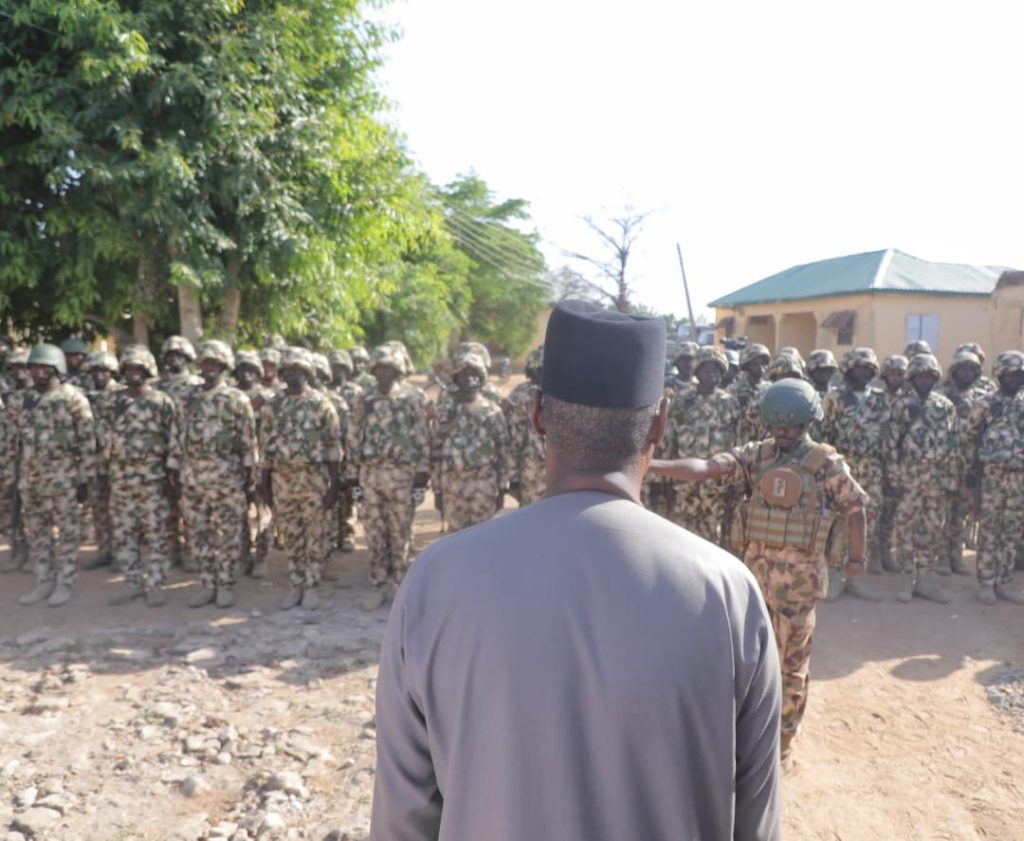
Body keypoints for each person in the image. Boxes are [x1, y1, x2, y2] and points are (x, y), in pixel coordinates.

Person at [371, 300, 782, 841]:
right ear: (660, 420)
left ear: (537, 413)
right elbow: (756, 821)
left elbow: (404, 818)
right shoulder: (727, 592)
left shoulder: (437, 580)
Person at [651, 377, 866, 766]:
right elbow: (707, 469)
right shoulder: (756, 455)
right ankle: (745, 736)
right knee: (747, 663)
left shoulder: (824, 464)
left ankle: (783, 744)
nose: (783, 434)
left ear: (807, 423)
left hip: (800, 590)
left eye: (791, 426)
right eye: (777, 426)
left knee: (791, 667)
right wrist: (652, 464)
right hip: (755, 583)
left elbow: (856, 507)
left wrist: (857, 558)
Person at [347, 344, 431, 611]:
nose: (383, 374)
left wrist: (421, 477)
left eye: (388, 369)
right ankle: (377, 584)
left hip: (402, 476)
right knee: (373, 531)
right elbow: (353, 437)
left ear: (397, 372)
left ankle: (399, 584)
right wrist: (352, 477)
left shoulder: (413, 398)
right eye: (379, 369)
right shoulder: (364, 400)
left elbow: (422, 438)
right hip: (371, 475)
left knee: (400, 531)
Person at [175, 340, 257, 608]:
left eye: (214, 364)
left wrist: (250, 482)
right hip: (193, 479)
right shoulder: (188, 399)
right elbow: (178, 440)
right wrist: (175, 475)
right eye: (205, 364)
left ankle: (225, 585)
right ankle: (206, 584)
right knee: (198, 534)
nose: (208, 368)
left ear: (224, 367)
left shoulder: (237, 400)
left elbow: (248, 444)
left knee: (227, 534)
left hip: (227, 479)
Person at [259, 348, 342, 611]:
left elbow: (334, 449)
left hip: (313, 480)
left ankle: (312, 585)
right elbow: (265, 448)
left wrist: (334, 486)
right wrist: (265, 483)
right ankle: (296, 583)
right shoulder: (274, 406)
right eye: (287, 370)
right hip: (283, 480)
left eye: (297, 369)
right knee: (292, 535)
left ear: (307, 372)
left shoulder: (322, 404)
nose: (292, 374)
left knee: (315, 535)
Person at [15, 344, 96, 607]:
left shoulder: (73, 399)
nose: (38, 372)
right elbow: (17, 440)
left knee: (68, 534)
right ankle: (44, 581)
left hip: (64, 480)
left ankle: (65, 582)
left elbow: (87, 441)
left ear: (56, 369)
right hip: (32, 480)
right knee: (38, 534)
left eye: (44, 368)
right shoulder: (24, 400)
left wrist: (85, 479)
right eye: (34, 367)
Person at [100, 347, 180, 607]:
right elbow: (102, 439)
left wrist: (171, 477)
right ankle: (133, 583)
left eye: (138, 370)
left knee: (157, 534)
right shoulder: (112, 402)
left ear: (148, 371)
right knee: (124, 535)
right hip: (121, 480)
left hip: (152, 480)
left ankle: (156, 583)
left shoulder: (161, 402)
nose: (134, 374)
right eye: (129, 370)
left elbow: (173, 441)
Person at [885, 354, 958, 603]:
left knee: (932, 529)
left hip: (937, 481)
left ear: (935, 378)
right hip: (910, 479)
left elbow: (952, 444)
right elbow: (892, 444)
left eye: (929, 376)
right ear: (912, 378)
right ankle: (907, 578)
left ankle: (925, 579)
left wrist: (951, 479)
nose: (924, 380)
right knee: (906, 529)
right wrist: (894, 478)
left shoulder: (945, 406)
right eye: (919, 376)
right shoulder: (902, 405)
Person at [819, 348, 887, 600]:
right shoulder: (834, 399)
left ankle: (856, 576)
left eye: (868, 368)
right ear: (847, 370)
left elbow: (888, 436)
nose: (864, 373)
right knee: (837, 521)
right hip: (842, 468)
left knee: (866, 521)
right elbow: (823, 435)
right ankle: (834, 575)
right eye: (859, 368)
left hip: (872, 469)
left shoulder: (881, 399)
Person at [964, 351, 1024, 605]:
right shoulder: (985, 404)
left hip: (1019, 478)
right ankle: (987, 582)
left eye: (1020, 374)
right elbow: (971, 439)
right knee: (989, 530)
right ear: (1000, 375)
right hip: (991, 476)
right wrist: (970, 477)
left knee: (1012, 530)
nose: (1016, 379)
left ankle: (1005, 581)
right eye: (1011, 374)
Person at [664, 346, 740, 542]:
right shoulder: (682, 401)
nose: (711, 373)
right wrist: (667, 479)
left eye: (716, 369)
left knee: (712, 536)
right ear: (696, 371)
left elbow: (738, 444)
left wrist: (736, 481)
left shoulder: (729, 403)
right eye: (705, 369)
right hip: (685, 483)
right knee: (681, 535)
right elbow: (670, 439)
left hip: (716, 484)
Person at [431, 352, 509, 531]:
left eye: (475, 375)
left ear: (481, 379)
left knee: (482, 538)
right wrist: (437, 489)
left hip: (484, 484)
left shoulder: (492, 412)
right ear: (456, 379)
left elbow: (503, 450)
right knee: (455, 540)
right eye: (465, 375)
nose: (470, 380)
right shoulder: (445, 411)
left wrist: (502, 488)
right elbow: (435, 449)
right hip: (453, 484)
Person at [502, 345, 546, 506]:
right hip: (543, 470)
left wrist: (513, 478)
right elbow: (515, 438)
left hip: (531, 469)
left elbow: (514, 440)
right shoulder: (522, 394)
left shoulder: (520, 393)